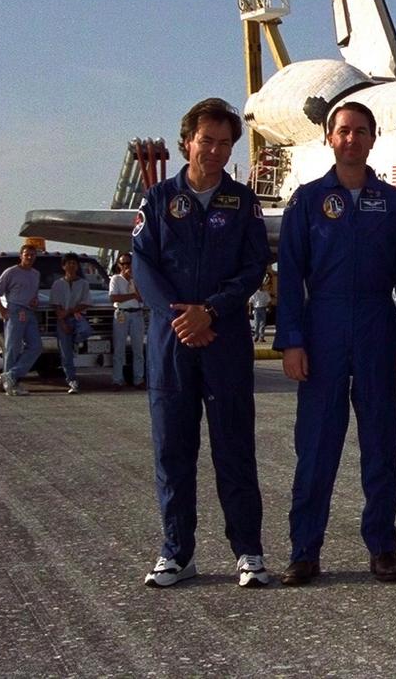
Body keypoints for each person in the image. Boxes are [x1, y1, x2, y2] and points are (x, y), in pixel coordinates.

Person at [131, 97, 272, 588]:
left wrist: (209, 311)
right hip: (172, 342)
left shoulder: (244, 203)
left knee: (234, 449)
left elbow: (254, 267)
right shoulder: (157, 201)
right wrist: (181, 317)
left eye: (224, 142)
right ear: (187, 141)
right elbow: (143, 266)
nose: (214, 150)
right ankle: (176, 552)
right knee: (173, 449)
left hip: (224, 337)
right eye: (206, 140)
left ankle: (249, 552)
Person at [275, 101, 396, 587]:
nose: (351, 139)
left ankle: (383, 548)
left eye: (361, 131)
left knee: (381, 446)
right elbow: (290, 277)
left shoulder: (395, 205)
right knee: (315, 447)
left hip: (378, 324)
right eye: (343, 131)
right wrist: (292, 341)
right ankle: (304, 551)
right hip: (324, 327)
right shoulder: (308, 201)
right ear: (329, 139)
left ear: (373, 139)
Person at [0, 243, 43, 397]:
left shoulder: (35, 274)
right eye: (26, 254)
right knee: (13, 347)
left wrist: (35, 300)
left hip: (29, 312)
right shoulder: (11, 272)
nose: (29, 257)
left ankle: (12, 374)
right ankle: (10, 384)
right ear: (21, 256)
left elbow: (33, 293)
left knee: (36, 346)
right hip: (15, 311)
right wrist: (2, 310)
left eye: (32, 255)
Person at [51, 252, 94, 394]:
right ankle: (72, 380)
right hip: (62, 320)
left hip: (78, 317)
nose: (71, 265)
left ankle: (75, 341)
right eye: (68, 263)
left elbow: (86, 303)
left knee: (87, 331)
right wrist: (62, 321)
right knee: (66, 353)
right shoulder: (57, 284)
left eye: (74, 263)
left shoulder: (83, 283)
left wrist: (69, 311)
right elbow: (56, 306)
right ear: (63, 266)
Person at [109, 253, 145, 389]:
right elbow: (113, 298)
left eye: (128, 263)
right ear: (119, 265)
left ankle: (138, 379)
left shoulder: (138, 279)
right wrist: (132, 296)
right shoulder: (115, 279)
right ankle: (117, 380)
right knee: (119, 349)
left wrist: (134, 283)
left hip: (136, 313)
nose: (126, 267)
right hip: (122, 314)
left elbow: (142, 298)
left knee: (138, 349)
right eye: (123, 264)